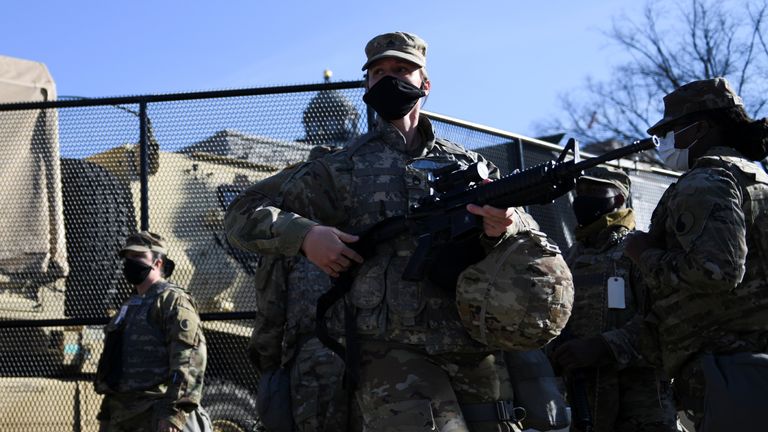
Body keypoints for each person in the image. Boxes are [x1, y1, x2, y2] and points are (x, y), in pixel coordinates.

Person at [225, 31, 566, 431]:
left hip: (474, 344)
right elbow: (241, 213)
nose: (390, 80)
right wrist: (305, 236)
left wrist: (502, 229)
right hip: (389, 357)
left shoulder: (470, 166)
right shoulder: (338, 169)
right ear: (367, 84)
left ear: (426, 83)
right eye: (379, 72)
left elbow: (524, 238)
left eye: (403, 69)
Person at [624, 77, 768, 431]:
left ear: (701, 128)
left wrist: (644, 255)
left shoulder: (707, 180)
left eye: (672, 131)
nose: (665, 143)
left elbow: (716, 270)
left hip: (728, 374)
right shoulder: (757, 179)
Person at [550, 167, 677, 431]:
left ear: (619, 199)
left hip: (642, 405)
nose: (582, 199)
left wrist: (604, 346)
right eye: (580, 192)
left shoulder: (639, 250)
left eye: (595, 192)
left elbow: (665, 319)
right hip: (587, 400)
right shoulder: (569, 257)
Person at [248, 145, 361, 432]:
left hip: (317, 356)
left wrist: (269, 364)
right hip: (375, 355)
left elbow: (271, 310)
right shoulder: (367, 224)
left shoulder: (291, 238)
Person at [94, 231, 211, 432]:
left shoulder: (172, 301)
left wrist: (174, 414)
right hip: (122, 415)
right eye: (127, 258)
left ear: (158, 263)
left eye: (138, 257)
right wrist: (106, 414)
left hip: (156, 413)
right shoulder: (128, 306)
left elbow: (188, 359)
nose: (130, 263)